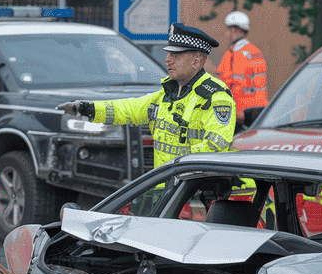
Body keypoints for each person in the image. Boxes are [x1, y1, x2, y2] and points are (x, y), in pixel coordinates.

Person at [58, 22, 236, 169]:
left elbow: (215, 146)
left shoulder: (215, 97)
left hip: (195, 190)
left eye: (175, 54)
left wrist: (176, 163)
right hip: (166, 187)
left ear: (196, 61)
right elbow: (128, 109)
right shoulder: (168, 93)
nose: (167, 59)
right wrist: (87, 109)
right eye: (168, 53)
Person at [216, 11, 267, 125]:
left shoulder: (232, 53)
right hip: (260, 111)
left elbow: (222, 84)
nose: (227, 34)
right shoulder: (256, 52)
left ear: (233, 30)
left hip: (240, 113)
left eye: (228, 30)